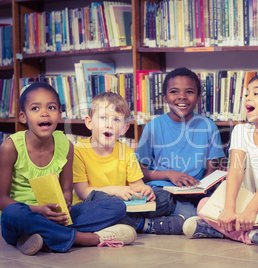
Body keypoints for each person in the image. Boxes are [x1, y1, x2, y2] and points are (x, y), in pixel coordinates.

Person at [0, 82, 136, 256]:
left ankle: (38, 237)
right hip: (23, 216)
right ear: (23, 116)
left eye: (51, 107)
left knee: (116, 205)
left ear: (59, 114)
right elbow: (2, 201)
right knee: (13, 213)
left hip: (57, 217)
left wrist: (63, 206)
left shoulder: (66, 145)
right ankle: (85, 238)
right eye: (35, 108)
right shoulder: (10, 147)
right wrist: (39, 210)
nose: (44, 113)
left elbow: (66, 191)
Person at [182, 74, 258, 245]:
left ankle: (222, 231)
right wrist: (229, 209)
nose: (248, 98)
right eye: (247, 94)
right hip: (247, 199)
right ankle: (254, 236)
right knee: (203, 205)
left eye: (256, 93)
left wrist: (250, 211)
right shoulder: (240, 130)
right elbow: (235, 171)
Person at [73, 92, 179, 235]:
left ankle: (123, 223)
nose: (109, 125)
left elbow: (137, 185)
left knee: (164, 197)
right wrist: (116, 191)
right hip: (94, 205)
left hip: (125, 201)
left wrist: (144, 191)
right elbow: (83, 193)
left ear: (124, 128)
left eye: (116, 120)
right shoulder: (78, 151)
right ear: (89, 122)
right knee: (112, 205)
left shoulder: (127, 151)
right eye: (103, 118)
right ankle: (146, 224)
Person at [135, 67, 226, 231]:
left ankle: (165, 223)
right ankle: (179, 221)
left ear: (198, 98)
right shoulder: (153, 127)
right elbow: (139, 172)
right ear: (165, 97)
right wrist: (170, 175)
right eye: (174, 92)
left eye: (189, 92)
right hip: (162, 190)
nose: (182, 97)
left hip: (195, 192)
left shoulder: (208, 127)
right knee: (163, 202)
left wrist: (201, 189)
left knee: (210, 208)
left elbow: (211, 171)